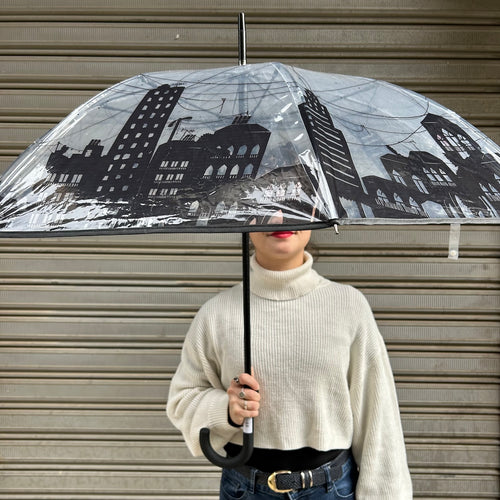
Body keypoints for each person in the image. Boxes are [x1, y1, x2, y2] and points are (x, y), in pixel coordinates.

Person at [167, 229, 413, 499]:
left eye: (294, 202)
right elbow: (183, 399)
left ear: (313, 212)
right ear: (247, 219)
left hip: (331, 490)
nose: (280, 218)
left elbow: (378, 421)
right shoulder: (216, 314)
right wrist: (226, 410)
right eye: (266, 204)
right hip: (245, 489)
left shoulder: (349, 307)